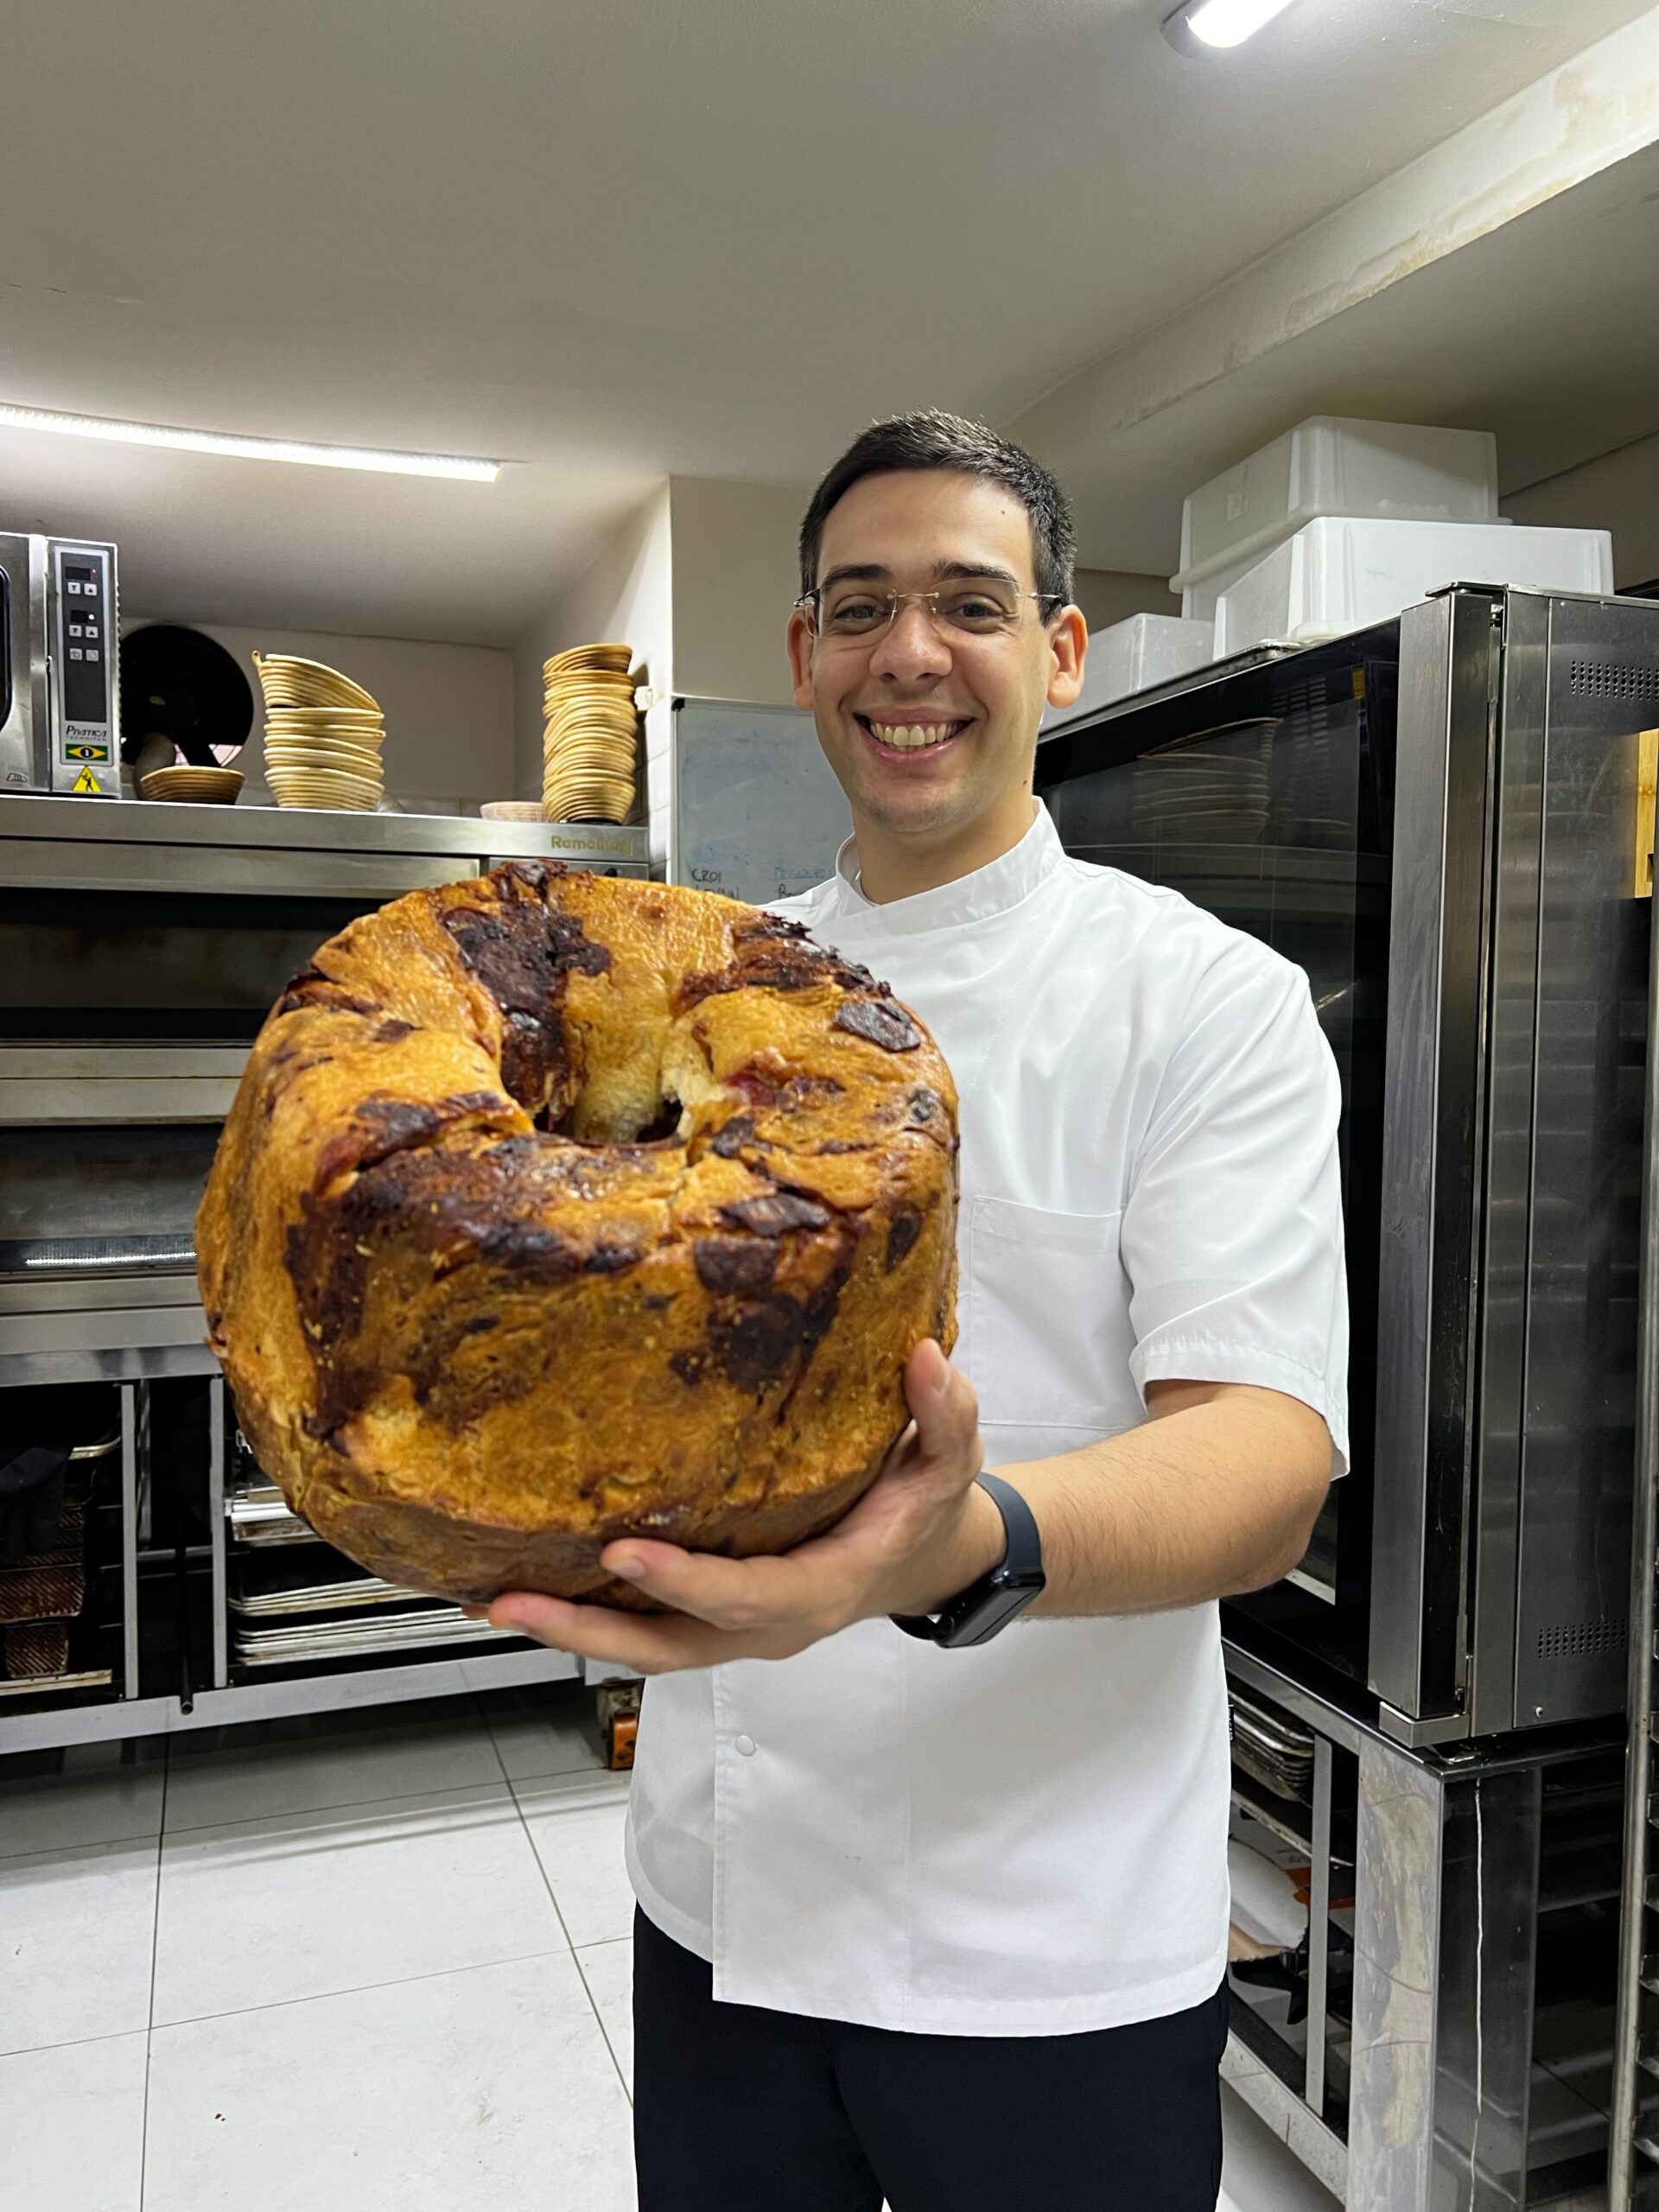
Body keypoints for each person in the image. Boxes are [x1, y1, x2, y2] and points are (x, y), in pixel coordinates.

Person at [486, 411, 1347, 2210]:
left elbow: (1262, 1456)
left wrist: (959, 1540)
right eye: (861, 603)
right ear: (804, 654)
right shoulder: (707, 992)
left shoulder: (1202, 1000)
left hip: (1051, 1939)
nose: (910, 651)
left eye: (969, 600)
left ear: (1056, 648)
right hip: (720, 1907)